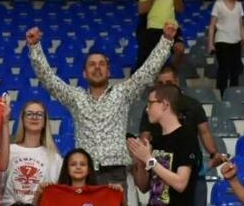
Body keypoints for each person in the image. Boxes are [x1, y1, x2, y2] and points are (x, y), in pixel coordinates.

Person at [28, 21, 175, 186]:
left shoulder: (122, 93)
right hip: (85, 174)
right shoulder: (75, 97)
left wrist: (166, 41)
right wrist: (35, 47)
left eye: (102, 64)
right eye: (92, 64)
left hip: (116, 176)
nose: (97, 68)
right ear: (84, 73)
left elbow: (147, 72)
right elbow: (48, 79)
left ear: (109, 72)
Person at [130, 84, 201, 206]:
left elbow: (181, 183)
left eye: (150, 103)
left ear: (164, 105)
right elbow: (144, 187)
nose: (147, 109)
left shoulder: (186, 136)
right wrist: (140, 161)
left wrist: (150, 160)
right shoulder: (156, 139)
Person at [0, 100, 63, 206]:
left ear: (45, 120)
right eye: (30, 114)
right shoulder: (8, 150)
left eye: (39, 114)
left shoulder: (54, 157)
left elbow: (55, 199)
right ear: (22, 119)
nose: (34, 117)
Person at [137, 0, 184, 67]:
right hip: (153, 28)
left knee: (180, 49)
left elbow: (180, 9)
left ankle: (172, 71)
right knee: (153, 59)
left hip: (171, 28)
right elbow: (141, 10)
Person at [208, 0, 244, 95]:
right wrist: (210, 43)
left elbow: (241, 25)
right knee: (224, 68)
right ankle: (222, 94)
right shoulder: (218, 5)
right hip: (222, 40)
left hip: (235, 41)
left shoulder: (239, 5)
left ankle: (234, 94)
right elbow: (212, 26)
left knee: (235, 69)